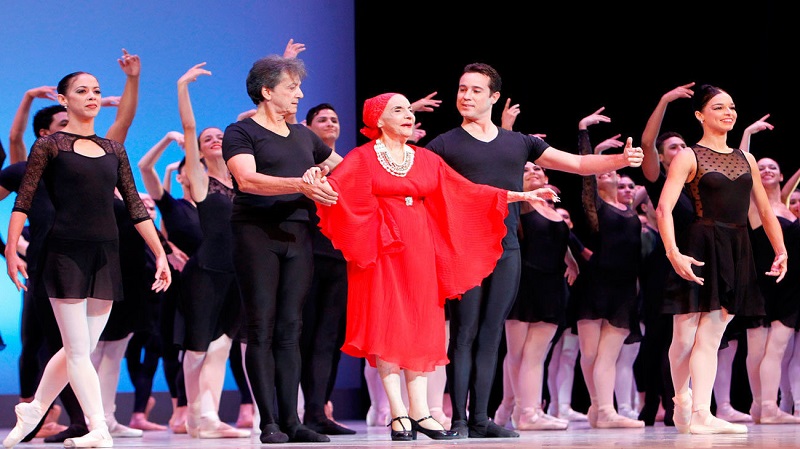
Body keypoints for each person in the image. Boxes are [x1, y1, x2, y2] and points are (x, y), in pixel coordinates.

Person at [310, 91, 556, 441]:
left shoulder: (424, 158)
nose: (408, 116)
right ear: (378, 120)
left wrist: (521, 195)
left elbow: (467, 191)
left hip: (420, 249)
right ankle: (398, 414)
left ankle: (422, 412)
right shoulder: (362, 158)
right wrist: (313, 182)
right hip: (381, 248)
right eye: (399, 110)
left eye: (410, 110)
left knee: (423, 324)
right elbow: (335, 191)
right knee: (387, 325)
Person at [2, 70, 171, 449]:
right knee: (78, 349)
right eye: (82, 91)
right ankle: (99, 427)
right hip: (64, 252)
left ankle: (34, 408)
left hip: (105, 254)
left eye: (96, 90)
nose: (92, 96)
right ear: (63, 99)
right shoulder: (50, 146)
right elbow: (23, 201)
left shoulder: (114, 150)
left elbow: (135, 208)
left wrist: (159, 252)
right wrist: (12, 250)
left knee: (81, 348)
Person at [222, 54, 342, 444]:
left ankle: (293, 422)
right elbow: (247, 180)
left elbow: (348, 172)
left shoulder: (306, 137)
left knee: (292, 328)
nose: (299, 95)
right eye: (292, 88)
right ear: (267, 91)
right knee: (261, 328)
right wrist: (302, 185)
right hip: (256, 233)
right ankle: (269, 422)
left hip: (298, 234)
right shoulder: (240, 132)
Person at [655, 83, 787, 435]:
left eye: (731, 107)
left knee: (712, 334)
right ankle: (681, 400)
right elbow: (664, 208)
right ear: (700, 115)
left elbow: (764, 208)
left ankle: (702, 411)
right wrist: (673, 253)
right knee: (684, 336)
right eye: (718, 107)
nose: (728, 112)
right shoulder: (689, 156)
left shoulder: (746, 159)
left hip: (736, 246)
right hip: (700, 246)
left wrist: (780, 249)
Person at [175, 63, 249, 439]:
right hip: (206, 271)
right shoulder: (202, 180)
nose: (215, 140)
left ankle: (211, 417)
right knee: (198, 348)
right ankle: (194, 415)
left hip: (238, 271)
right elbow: (189, 130)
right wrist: (182, 88)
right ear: (200, 152)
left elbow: (251, 124)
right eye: (209, 139)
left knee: (222, 347)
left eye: (221, 136)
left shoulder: (241, 179)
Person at [573, 111, 644, 429]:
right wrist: (584, 134)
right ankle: (600, 408)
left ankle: (606, 411)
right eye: (600, 175)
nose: (605, 177)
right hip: (595, 283)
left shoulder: (629, 209)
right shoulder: (596, 208)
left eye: (609, 174)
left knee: (607, 354)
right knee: (590, 354)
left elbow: (654, 180)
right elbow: (586, 174)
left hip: (624, 288)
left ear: (618, 175)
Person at [493, 163, 574, 431]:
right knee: (518, 354)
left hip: (551, 286)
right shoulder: (517, 205)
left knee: (535, 354)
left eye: (538, 168)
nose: (533, 172)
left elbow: (561, 240)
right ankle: (526, 411)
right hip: (523, 283)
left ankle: (515, 409)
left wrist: (572, 261)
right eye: (526, 169)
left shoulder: (552, 207)